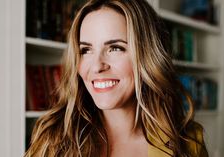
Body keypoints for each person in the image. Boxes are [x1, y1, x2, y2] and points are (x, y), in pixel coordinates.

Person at [25, 0, 208, 156]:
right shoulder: (51, 139)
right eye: (86, 50)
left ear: (147, 56)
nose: (96, 66)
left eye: (115, 48)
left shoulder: (188, 142)